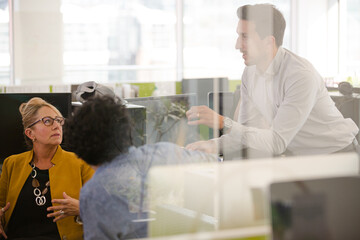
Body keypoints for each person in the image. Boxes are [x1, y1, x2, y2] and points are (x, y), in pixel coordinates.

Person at [186, 4, 359, 156]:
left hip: (338, 156)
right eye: (239, 36)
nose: (237, 45)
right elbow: (246, 134)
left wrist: (224, 122)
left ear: (269, 42)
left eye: (245, 37)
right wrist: (211, 145)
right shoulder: (249, 73)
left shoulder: (300, 76)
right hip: (303, 158)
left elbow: (277, 141)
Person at [64, 96, 218, 240]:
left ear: (80, 147)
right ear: (127, 129)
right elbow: (221, 166)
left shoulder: (94, 193)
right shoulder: (165, 152)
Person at [0, 97, 94, 240]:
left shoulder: (81, 163)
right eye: (48, 121)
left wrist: (82, 208)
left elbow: (107, 212)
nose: (57, 126)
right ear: (30, 134)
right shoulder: (11, 164)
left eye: (59, 120)